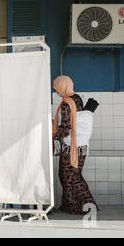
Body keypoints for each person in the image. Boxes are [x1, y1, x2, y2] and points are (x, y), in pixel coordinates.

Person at [52, 75, 98, 215]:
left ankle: (87, 205)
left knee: (69, 177)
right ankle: (70, 206)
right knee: (72, 176)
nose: (56, 90)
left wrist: (53, 135)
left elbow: (66, 128)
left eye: (57, 88)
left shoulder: (66, 103)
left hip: (71, 147)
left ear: (63, 86)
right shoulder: (76, 97)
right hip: (81, 146)